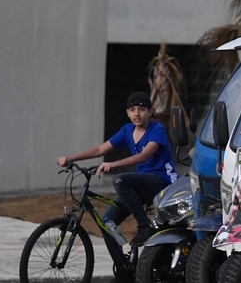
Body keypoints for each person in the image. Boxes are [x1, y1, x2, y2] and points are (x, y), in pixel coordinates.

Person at [57, 91, 177, 246]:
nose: (137, 114)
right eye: (132, 110)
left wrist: (114, 164)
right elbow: (100, 149)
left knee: (120, 180)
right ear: (127, 113)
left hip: (163, 181)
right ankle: (120, 259)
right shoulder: (127, 131)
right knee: (106, 221)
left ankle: (144, 225)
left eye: (142, 109)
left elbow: (144, 156)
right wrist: (70, 158)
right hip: (142, 184)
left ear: (150, 112)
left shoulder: (157, 129)